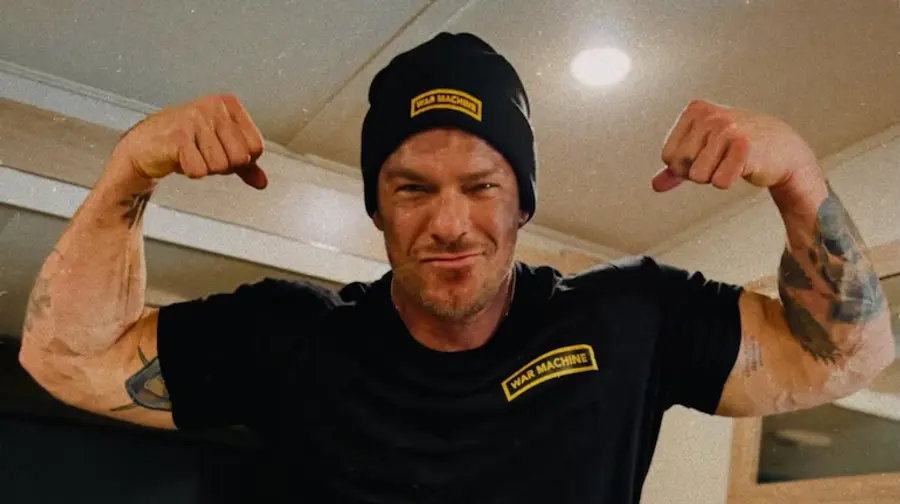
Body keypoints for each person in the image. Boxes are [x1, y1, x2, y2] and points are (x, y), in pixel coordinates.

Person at [18, 32, 894, 503]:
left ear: (523, 203)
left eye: (481, 186)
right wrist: (131, 169)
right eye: (411, 187)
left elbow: (846, 358)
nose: (448, 224)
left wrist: (796, 177)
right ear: (376, 203)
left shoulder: (627, 320)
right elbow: (68, 359)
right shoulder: (289, 338)